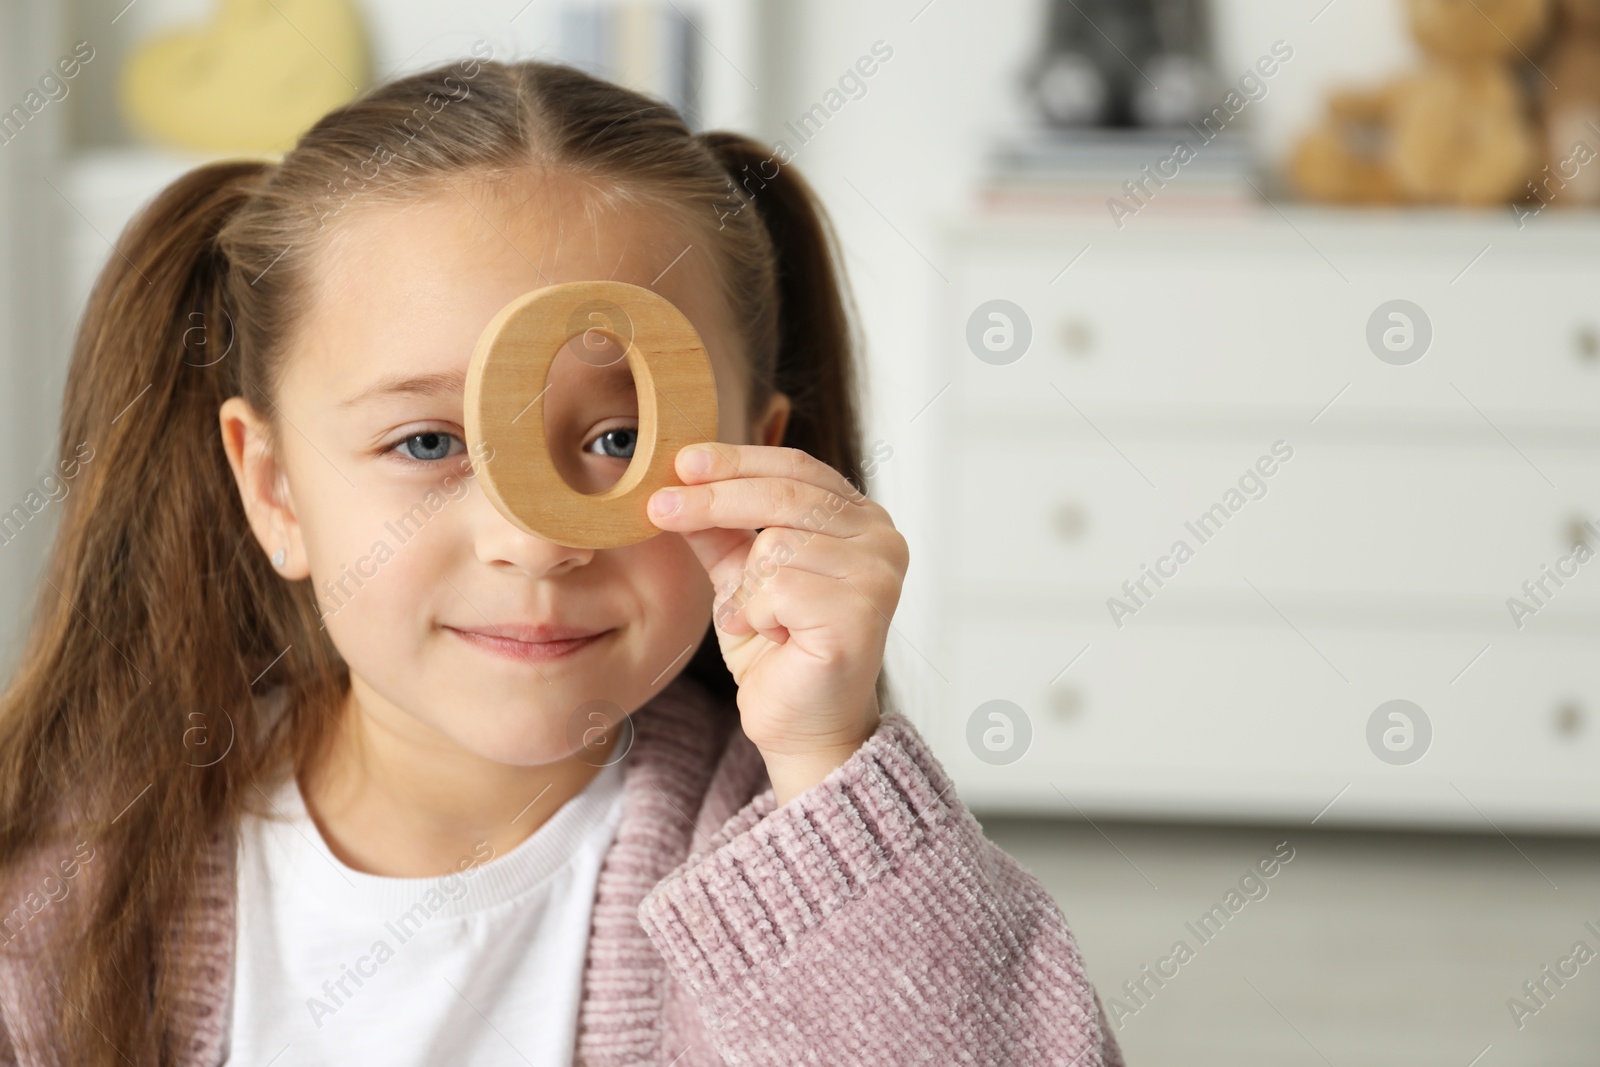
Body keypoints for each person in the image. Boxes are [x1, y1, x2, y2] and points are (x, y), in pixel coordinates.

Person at [0, 56, 1122, 1066]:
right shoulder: (78, 877)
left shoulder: (781, 855)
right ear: (276, 487)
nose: (536, 538)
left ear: (757, 464)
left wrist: (829, 769)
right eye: (428, 443)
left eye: (621, 439)